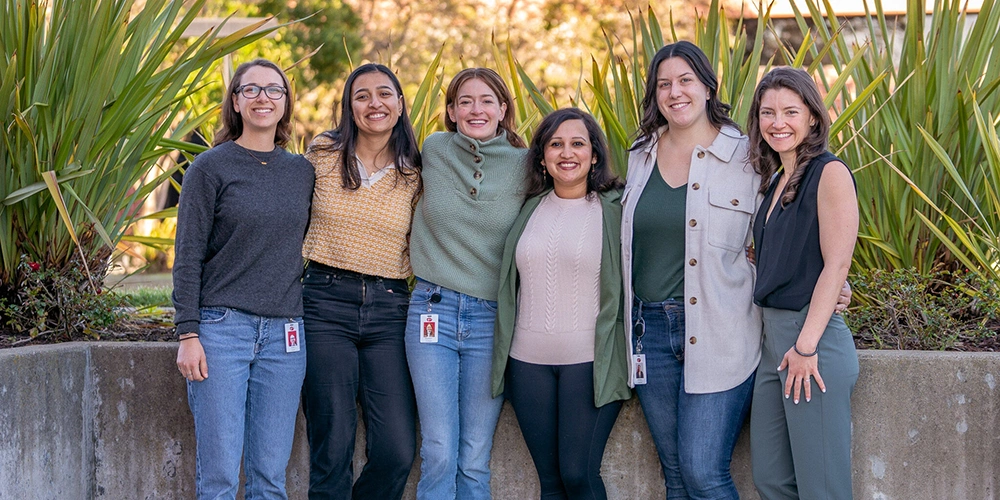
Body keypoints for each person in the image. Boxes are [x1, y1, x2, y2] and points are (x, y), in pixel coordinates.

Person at [621, 42, 850, 499]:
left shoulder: (749, 156)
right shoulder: (640, 154)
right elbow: (770, 242)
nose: (675, 92)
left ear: (708, 86)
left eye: (686, 80)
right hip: (649, 334)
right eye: (664, 84)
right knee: (678, 475)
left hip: (721, 333)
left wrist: (834, 289)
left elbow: (810, 239)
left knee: (704, 471)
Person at [173, 58, 313, 499]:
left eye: (274, 90)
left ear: (285, 103)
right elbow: (188, 254)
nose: (262, 98)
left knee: (270, 477)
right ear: (235, 101)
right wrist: (187, 332)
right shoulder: (209, 168)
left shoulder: (303, 172)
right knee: (218, 476)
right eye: (250, 90)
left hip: (285, 337)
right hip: (221, 332)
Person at [491, 108, 630, 499]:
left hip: (589, 362)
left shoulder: (616, 210)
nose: (566, 153)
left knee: (577, 475)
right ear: (541, 156)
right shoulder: (526, 208)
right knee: (550, 482)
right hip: (526, 364)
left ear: (595, 155)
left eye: (577, 143)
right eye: (556, 144)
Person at [405, 67, 529, 499]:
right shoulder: (434, 149)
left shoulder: (526, 163)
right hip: (432, 312)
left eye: (486, 100)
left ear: (503, 109)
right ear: (452, 111)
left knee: (475, 457)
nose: (476, 109)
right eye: (465, 101)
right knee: (438, 449)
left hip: (491, 320)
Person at [299, 63, 422, 500]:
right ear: (349, 106)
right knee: (331, 445)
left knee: (396, 450)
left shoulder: (416, 172)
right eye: (363, 95)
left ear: (400, 103)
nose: (375, 104)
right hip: (325, 303)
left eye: (385, 94)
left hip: (390, 309)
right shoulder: (322, 155)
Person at [746, 66, 859, 500]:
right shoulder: (775, 180)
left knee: (822, 488)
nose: (778, 123)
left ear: (813, 116)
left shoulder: (828, 173)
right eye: (768, 112)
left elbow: (837, 264)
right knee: (771, 479)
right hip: (775, 343)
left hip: (810, 344)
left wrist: (807, 346)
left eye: (790, 111)